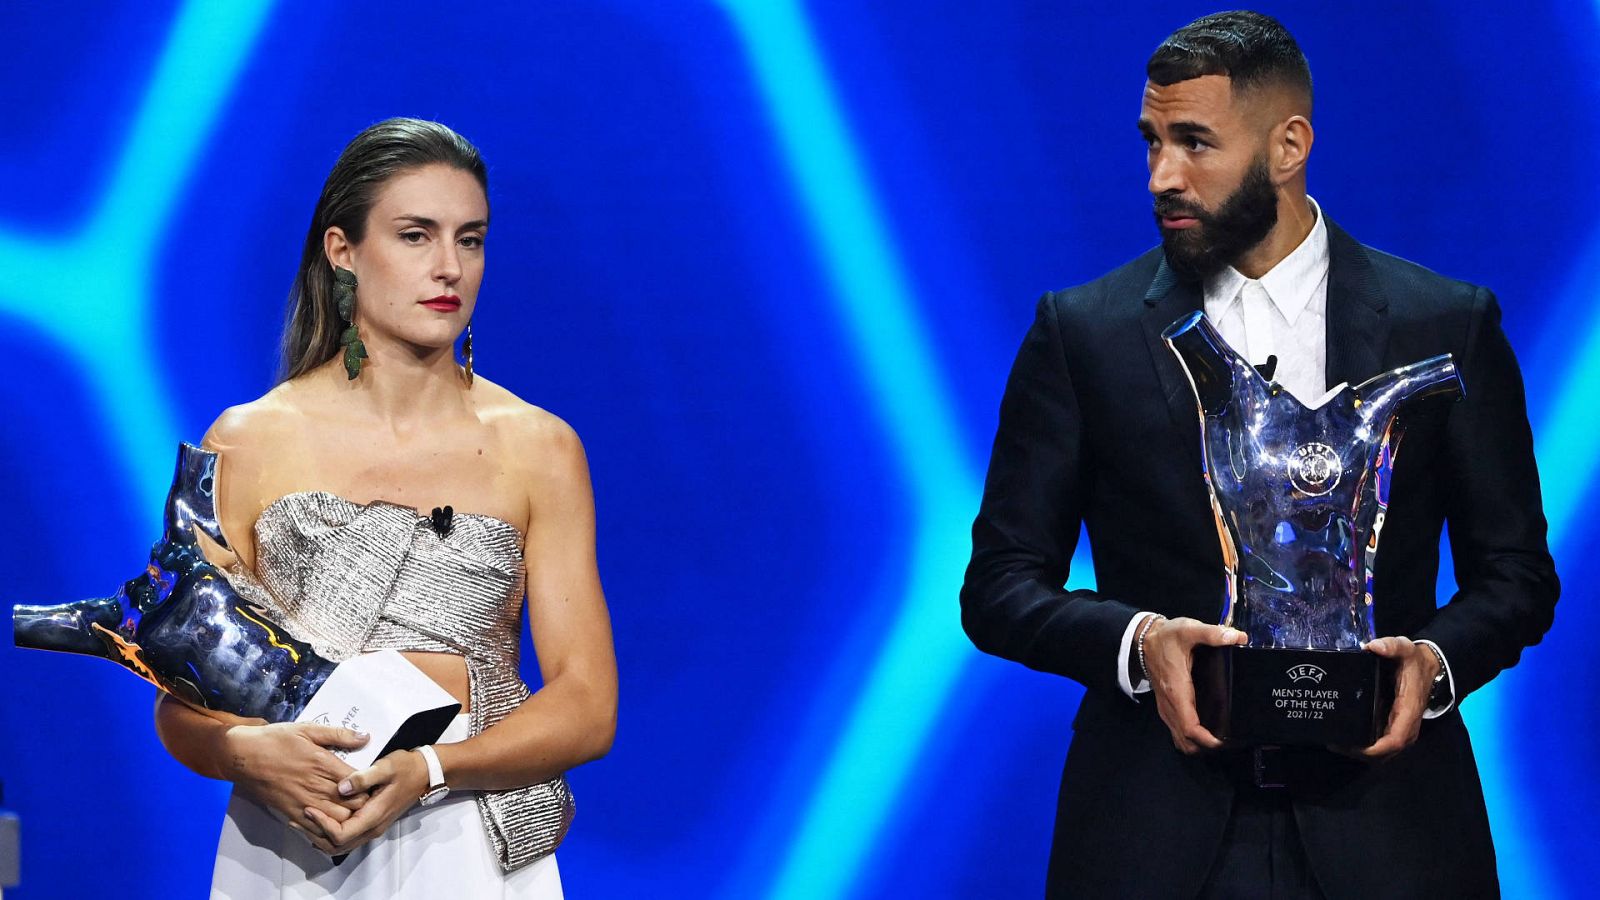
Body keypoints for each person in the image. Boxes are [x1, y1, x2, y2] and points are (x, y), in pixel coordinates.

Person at [961, 11, 1557, 899]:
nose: (1164, 175)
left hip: (1393, 834)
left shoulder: (1447, 323)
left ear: (1288, 146)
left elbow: (1515, 576)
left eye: (1195, 143)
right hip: (1153, 836)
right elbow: (1000, 586)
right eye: (1152, 142)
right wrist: (1137, 643)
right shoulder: (1082, 333)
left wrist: (1430, 668)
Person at [153, 118, 617, 898]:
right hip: (292, 839)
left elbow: (587, 703)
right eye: (415, 235)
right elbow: (182, 699)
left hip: (469, 835)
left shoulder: (540, 447)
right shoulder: (246, 440)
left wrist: (430, 769)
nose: (449, 268)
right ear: (342, 250)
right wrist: (242, 755)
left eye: (470, 240)